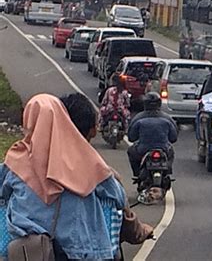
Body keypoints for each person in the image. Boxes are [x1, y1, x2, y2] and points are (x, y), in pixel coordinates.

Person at [0, 94, 126, 260]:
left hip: (29, 252)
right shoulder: (86, 159)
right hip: (81, 251)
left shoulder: (16, 160)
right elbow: (118, 196)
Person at [59, 93, 154, 247]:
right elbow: (127, 221)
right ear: (93, 131)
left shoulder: (20, 171)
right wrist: (144, 231)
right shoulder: (105, 178)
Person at [127, 92, 178, 178]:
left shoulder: (138, 118)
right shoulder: (167, 118)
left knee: (130, 151)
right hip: (164, 149)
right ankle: (168, 171)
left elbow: (131, 137)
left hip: (142, 150)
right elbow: (173, 138)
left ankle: (137, 174)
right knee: (171, 152)